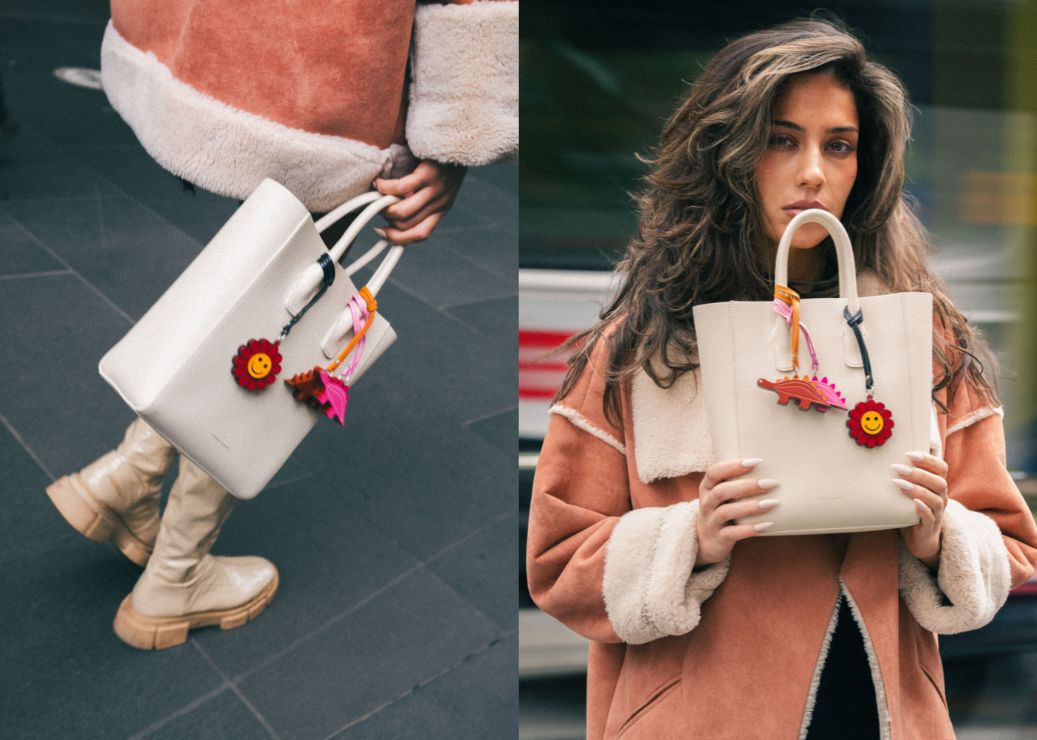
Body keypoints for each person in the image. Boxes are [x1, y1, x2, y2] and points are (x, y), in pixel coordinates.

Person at [525, 18, 1037, 739]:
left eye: (838, 145)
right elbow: (556, 564)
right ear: (727, 153)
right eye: (780, 139)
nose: (812, 173)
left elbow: (1012, 548)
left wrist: (938, 536)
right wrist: (690, 536)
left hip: (878, 714)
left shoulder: (920, 337)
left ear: (868, 164)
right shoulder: (641, 347)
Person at [45, 0, 517, 651]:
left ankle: (129, 474)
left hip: (226, 44)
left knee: (261, 278)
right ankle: (173, 578)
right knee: (286, 313)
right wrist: (457, 134)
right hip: (333, 69)